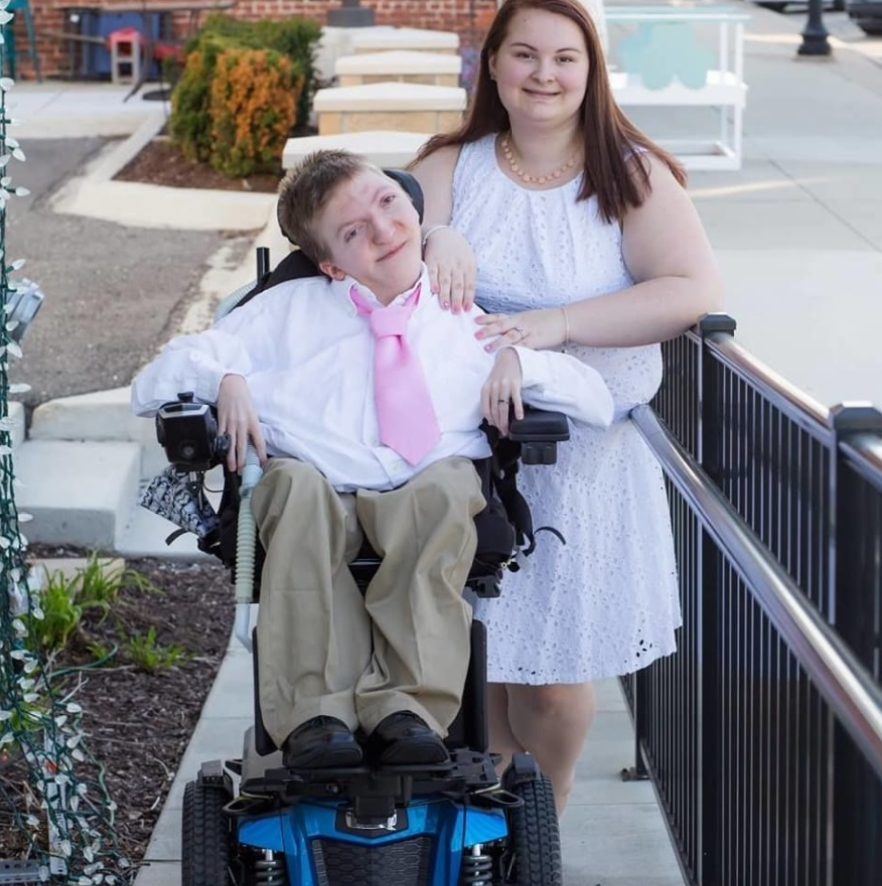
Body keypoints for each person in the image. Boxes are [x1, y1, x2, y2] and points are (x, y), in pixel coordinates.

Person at [131, 150, 615, 771]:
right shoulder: (284, 311)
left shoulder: (460, 317)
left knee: (445, 490)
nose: (383, 230)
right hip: (316, 484)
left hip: (427, 484)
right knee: (293, 488)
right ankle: (314, 714)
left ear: (411, 204)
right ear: (331, 265)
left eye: (388, 203)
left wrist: (519, 362)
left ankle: (406, 709)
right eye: (354, 231)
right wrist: (223, 377)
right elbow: (155, 380)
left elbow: (596, 399)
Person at [409, 0, 723, 813]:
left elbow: (689, 289)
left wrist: (559, 324)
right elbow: (383, 264)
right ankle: (498, 836)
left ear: (591, 71)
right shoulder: (448, 166)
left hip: (583, 461)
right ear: (492, 64)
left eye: (564, 58)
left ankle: (546, 811)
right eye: (524, 54)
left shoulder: (629, 174)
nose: (543, 74)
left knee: (550, 682)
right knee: (487, 666)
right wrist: (435, 236)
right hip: (471, 457)